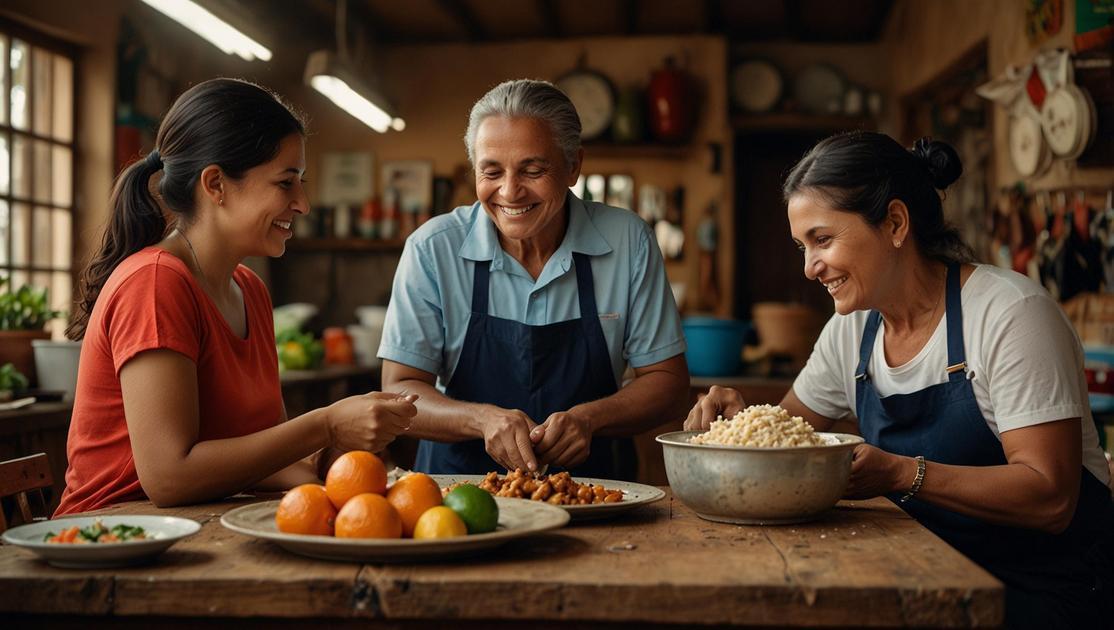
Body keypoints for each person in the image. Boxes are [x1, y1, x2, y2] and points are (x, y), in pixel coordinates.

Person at [686, 132, 1113, 629]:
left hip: (1047, 593)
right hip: (924, 573)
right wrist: (745, 426)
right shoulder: (851, 331)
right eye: (802, 246)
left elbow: (1052, 497)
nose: (808, 268)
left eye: (822, 240)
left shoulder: (1009, 315)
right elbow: (791, 444)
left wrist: (900, 473)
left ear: (894, 223)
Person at [56, 78, 416, 516]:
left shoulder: (249, 289)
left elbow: (266, 460)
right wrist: (325, 423)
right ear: (215, 184)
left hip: (200, 527)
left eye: (300, 181)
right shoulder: (154, 283)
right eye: (286, 183)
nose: (302, 203)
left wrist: (334, 458)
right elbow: (169, 476)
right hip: (111, 538)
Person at [379, 79, 690, 479]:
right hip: (458, 499)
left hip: (597, 493)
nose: (510, 191)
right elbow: (399, 391)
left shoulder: (629, 242)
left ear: (573, 166)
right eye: (491, 171)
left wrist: (590, 419)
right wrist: (481, 421)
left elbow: (668, 383)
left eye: (533, 169)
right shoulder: (433, 249)